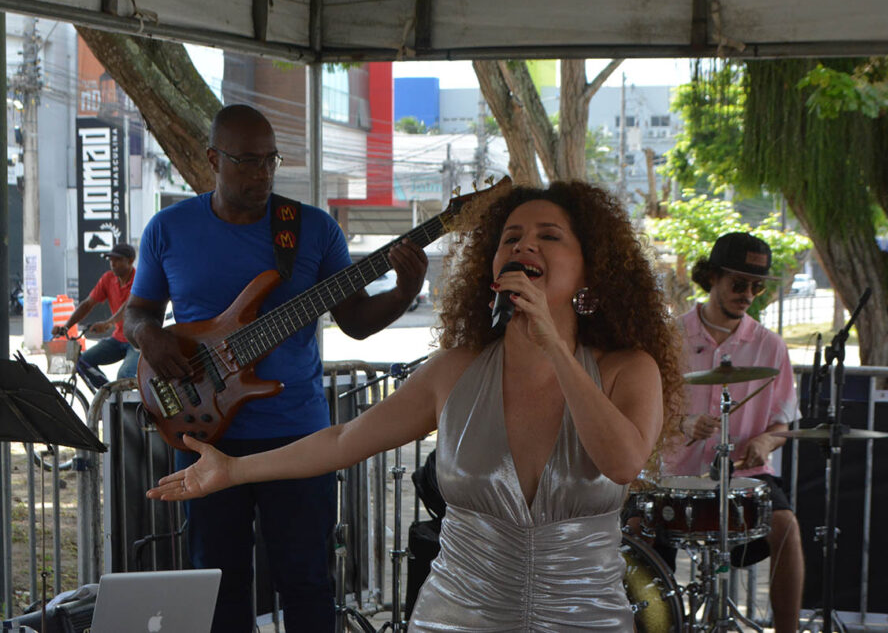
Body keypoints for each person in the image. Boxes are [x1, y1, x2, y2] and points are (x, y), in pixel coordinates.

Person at [147, 180, 684, 632]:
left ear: (591, 271)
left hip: (586, 619)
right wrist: (235, 469)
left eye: (550, 236)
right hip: (456, 617)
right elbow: (343, 441)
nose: (525, 246)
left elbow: (623, 462)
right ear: (492, 267)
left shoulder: (626, 368)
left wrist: (554, 346)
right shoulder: (456, 369)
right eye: (510, 238)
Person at [124, 104, 428, 633]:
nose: (261, 174)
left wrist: (404, 292)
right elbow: (138, 311)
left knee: (308, 580)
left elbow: (354, 321)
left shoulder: (311, 229)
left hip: (298, 436)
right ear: (212, 158)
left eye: (270, 161)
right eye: (246, 162)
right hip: (207, 431)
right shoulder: (168, 229)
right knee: (218, 582)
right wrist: (149, 337)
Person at [658, 231, 804, 633]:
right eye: (739, 284)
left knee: (787, 527)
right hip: (677, 472)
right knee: (638, 533)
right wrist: (683, 424)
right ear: (713, 278)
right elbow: (645, 410)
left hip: (745, 476)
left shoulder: (770, 346)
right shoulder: (670, 337)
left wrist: (765, 440)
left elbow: (782, 422)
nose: (748, 294)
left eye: (757, 286)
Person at [52, 242, 140, 389]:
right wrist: (66, 327)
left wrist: (108, 323)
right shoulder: (108, 279)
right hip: (118, 338)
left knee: (124, 375)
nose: (113, 264)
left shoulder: (139, 279)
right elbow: (87, 304)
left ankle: (125, 406)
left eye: (117, 260)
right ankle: (108, 395)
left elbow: (128, 306)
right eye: (111, 260)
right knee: (83, 361)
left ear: (130, 261)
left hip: (137, 341)